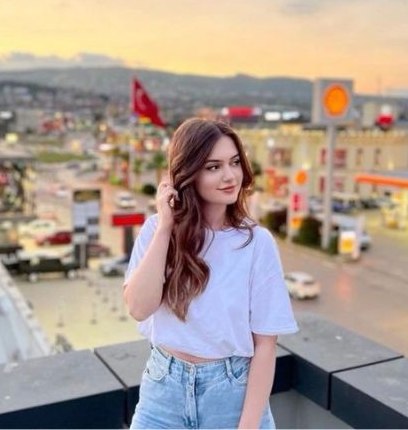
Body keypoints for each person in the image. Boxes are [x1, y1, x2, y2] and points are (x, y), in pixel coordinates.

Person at [123, 118, 298, 429]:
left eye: (234, 163)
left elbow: (266, 346)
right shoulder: (156, 230)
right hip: (163, 392)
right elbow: (138, 308)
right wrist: (166, 227)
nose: (229, 176)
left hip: (231, 395)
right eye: (213, 167)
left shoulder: (256, 243)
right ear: (188, 174)